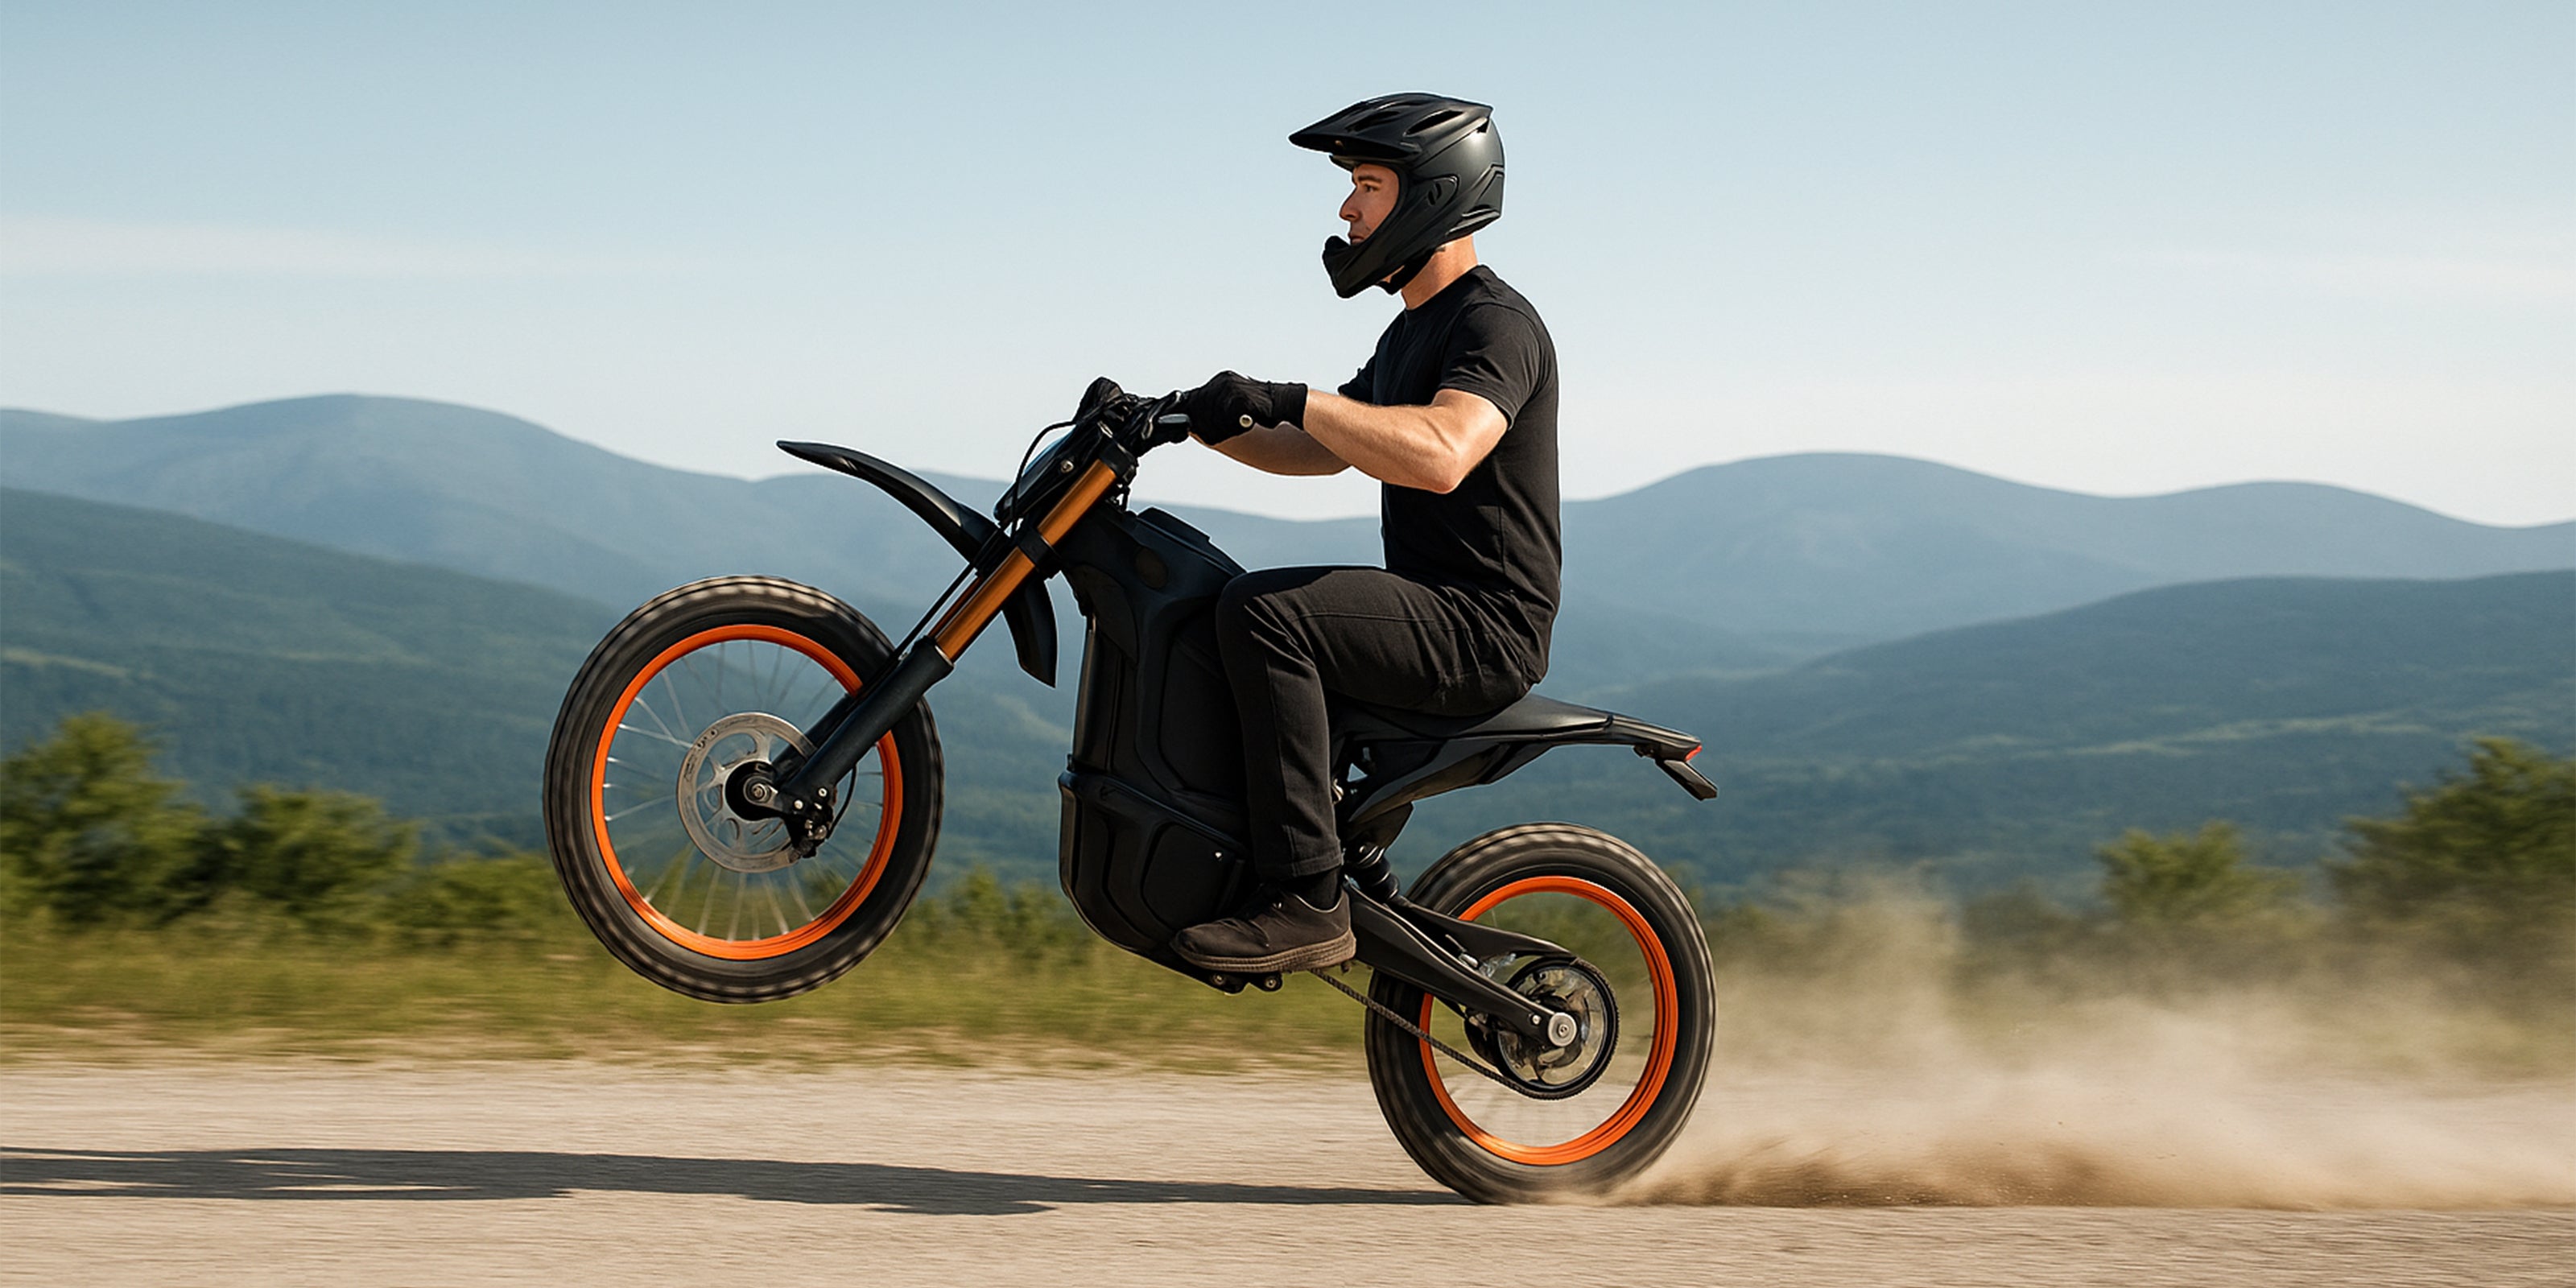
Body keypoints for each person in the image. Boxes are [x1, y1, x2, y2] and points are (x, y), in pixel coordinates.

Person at [1167, 93, 1561, 975]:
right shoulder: (1411, 330)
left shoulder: (1494, 324)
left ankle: (1306, 900)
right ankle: (1333, 867)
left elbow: (1442, 452)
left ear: (1433, 193)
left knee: (1266, 613)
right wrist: (1183, 415)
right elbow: (1318, 449)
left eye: (1366, 185)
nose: (1347, 209)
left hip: (1480, 626)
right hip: (1433, 611)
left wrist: (1292, 394)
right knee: (1211, 611)